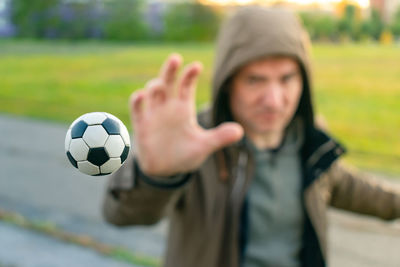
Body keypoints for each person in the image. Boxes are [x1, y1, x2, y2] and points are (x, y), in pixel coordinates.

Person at [102, 6, 400, 267]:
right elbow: (122, 214)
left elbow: (351, 188)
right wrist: (157, 176)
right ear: (228, 82)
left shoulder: (308, 142)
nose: (273, 99)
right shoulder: (196, 143)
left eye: (287, 79)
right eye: (255, 80)